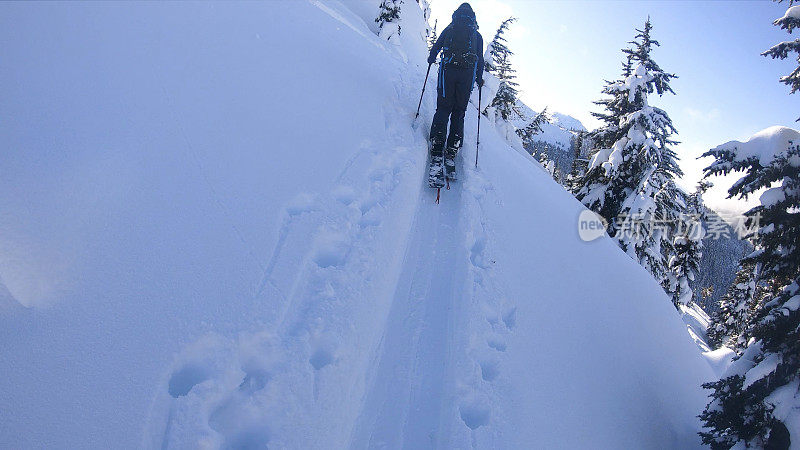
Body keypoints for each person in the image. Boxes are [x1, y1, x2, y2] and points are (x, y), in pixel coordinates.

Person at [427, 2, 484, 180]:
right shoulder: (477, 35)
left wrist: (431, 58)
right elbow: (480, 60)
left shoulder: (450, 28)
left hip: (448, 72)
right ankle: (452, 149)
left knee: (443, 108)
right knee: (459, 112)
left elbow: (436, 47)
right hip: (466, 77)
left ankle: (437, 144)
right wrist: (478, 78)